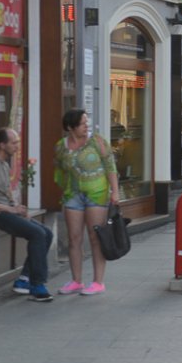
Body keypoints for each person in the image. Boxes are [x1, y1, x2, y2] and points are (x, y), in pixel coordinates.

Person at [0, 128, 54, 302]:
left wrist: (17, 208)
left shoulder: (3, 163)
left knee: (47, 233)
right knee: (37, 234)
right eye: (14, 143)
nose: (17, 146)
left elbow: (4, 193)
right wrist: (9, 209)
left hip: (5, 211)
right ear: (2, 145)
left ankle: (24, 279)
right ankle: (37, 285)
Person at [54, 109, 120, 296]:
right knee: (74, 238)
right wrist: (63, 190)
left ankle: (98, 282)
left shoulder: (97, 141)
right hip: (72, 195)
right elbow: (59, 171)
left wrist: (114, 191)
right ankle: (76, 280)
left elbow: (110, 166)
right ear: (70, 127)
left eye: (87, 123)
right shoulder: (61, 146)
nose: (87, 126)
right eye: (83, 124)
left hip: (96, 194)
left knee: (95, 236)